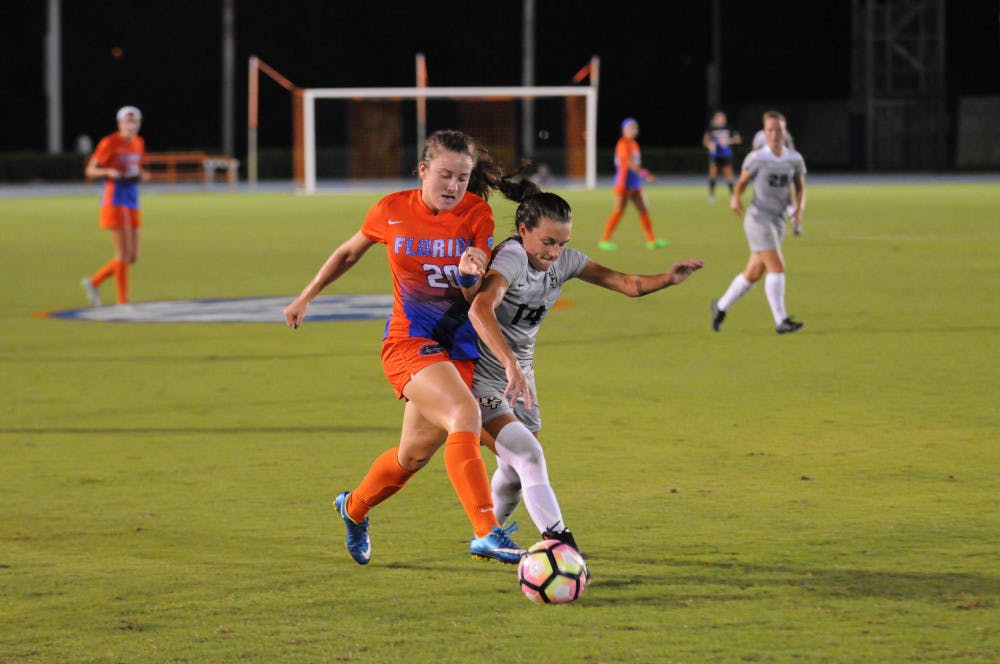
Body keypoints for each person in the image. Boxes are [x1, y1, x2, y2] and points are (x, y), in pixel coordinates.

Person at [283, 130, 526, 566]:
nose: (453, 186)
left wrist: (472, 274)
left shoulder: (477, 213)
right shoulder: (391, 209)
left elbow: (475, 297)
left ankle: (353, 507)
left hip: (458, 349)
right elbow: (348, 253)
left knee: (411, 457)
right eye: (445, 175)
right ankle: (486, 531)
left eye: (462, 177)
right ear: (423, 171)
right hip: (408, 342)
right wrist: (308, 294)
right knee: (465, 414)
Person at [469, 185, 703, 553]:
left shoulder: (563, 261)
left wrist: (667, 279)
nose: (554, 253)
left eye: (562, 243)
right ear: (523, 229)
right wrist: (509, 363)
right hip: (481, 377)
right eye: (548, 242)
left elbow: (625, 283)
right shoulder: (511, 259)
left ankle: (486, 535)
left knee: (515, 472)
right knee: (528, 456)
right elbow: (480, 309)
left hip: (520, 379)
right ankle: (562, 546)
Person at [711, 111, 806, 335]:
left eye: (778, 129)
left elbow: (799, 188)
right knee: (777, 267)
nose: (774, 133)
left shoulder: (794, 158)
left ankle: (721, 306)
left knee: (753, 273)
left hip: (778, 220)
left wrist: (798, 210)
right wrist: (735, 198)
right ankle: (781, 320)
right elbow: (741, 183)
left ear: (785, 131)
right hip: (758, 219)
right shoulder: (757, 158)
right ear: (765, 132)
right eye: (770, 129)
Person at [81, 105, 149, 306]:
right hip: (115, 199)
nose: (131, 125)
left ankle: (93, 282)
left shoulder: (138, 143)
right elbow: (91, 170)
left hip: (132, 199)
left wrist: (142, 175)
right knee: (123, 254)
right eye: (127, 121)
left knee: (133, 256)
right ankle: (123, 300)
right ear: (119, 123)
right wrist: (108, 172)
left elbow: (137, 167)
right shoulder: (110, 143)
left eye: (134, 121)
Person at [598, 118, 669, 251]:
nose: (633, 130)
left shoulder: (634, 144)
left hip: (635, 183)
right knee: (618, 211)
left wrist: (641, 176)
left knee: (644, 210)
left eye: (634, 128)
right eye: (630, 128)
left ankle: (652, 241)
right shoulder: (622, 144)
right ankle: (604, 240)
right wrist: (646, 175)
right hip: (623, 183)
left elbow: (634, 163)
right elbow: (628, 163)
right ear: (624, 130)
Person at [752, 113, 802, 235]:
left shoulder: (785, 134)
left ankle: (796, 224)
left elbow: (791, 151)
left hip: (781, 172)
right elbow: (754, 153)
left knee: (789, 198)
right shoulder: (759, 136)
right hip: (765, 176)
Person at [702, 110, 742, 204]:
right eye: (719, 118)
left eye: (723, 118)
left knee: (729, 176)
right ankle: (711, 195)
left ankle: (733, 195)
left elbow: (738, 140)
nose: (721, 119)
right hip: (715, 155)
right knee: (713, 175)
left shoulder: (729, 128)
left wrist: (728, 141)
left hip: (726, 155)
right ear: (716, 119)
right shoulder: (711, 129)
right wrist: (710, 145)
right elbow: (705, 141)